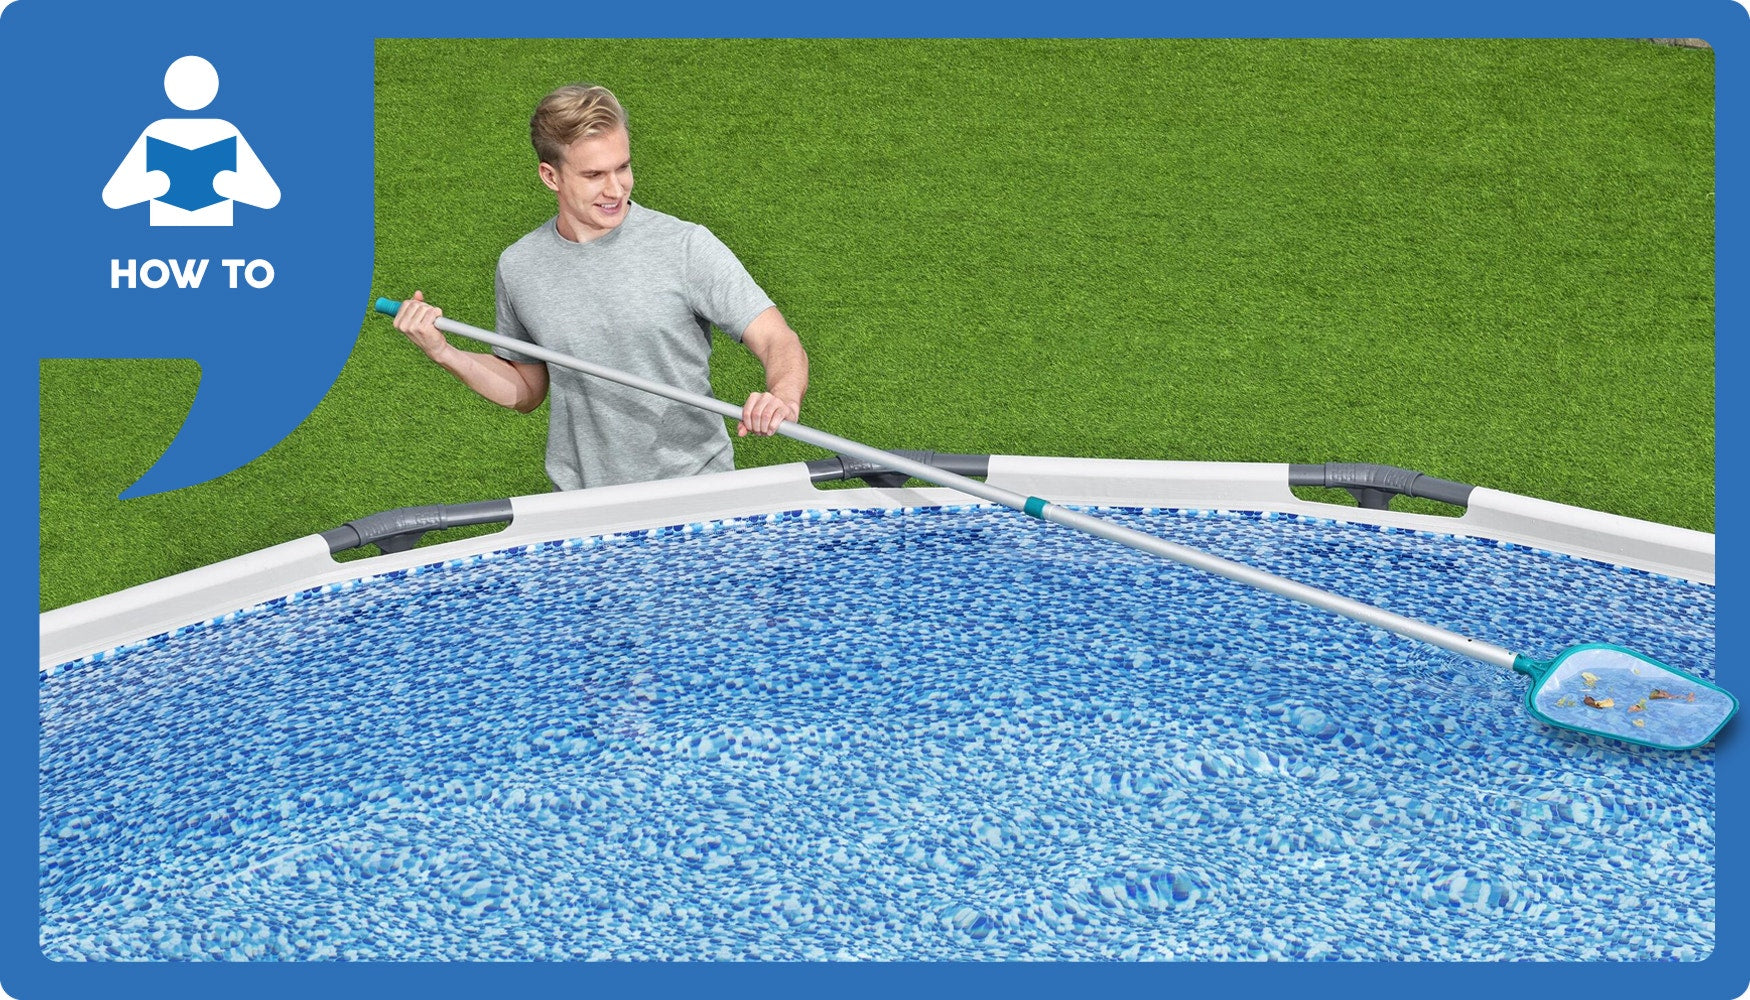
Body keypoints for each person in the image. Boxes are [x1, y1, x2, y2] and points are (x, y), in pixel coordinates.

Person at [391, 83, 808, 491]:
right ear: (550, 176)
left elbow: (776, 338)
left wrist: (782, 395)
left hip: (695, 491)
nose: (616, 189)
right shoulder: (520, 266)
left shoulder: (684, 245)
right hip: (584, 505)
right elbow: (526, 389)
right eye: (593, 175)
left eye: (622, 167)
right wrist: (443, 351)